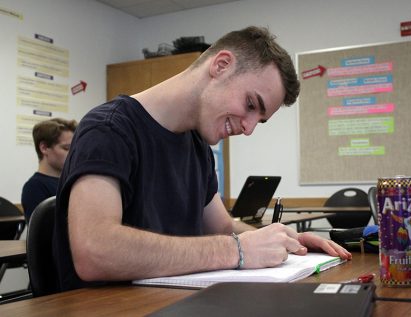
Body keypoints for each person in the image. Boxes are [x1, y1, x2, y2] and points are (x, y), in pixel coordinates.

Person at [52, 26, 351, 292]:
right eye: (250, 105)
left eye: (258, 121)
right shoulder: (109, 130)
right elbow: (95, 251)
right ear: (221, 65)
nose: (247, 128)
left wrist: (285, 241)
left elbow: (221, 228)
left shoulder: (198, 147)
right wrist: (237, 251)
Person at [21, 118, 77, 223]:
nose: (73, 154)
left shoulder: (71, 182)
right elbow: (44, 234)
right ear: (44, 148)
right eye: (66, 148)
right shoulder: (34, 187)